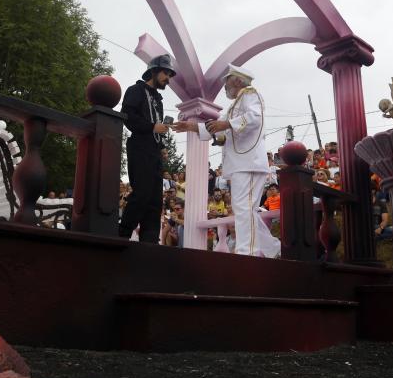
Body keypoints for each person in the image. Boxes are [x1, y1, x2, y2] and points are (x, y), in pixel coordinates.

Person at [174, 64, 280, 258]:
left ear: (238, 80)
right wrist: (191, 126)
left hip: (248, 162)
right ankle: (272, 248)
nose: (224, 87)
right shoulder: (234, 106)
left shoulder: (250, 94)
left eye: (227, 83)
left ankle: (247, 253)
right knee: (244, 210)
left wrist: (227, 124)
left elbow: (254, 118)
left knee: (244, 208)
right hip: (241, 163)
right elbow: (216, 128)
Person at [118, 54, 175, 243]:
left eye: (169, 75)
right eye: (166, 73)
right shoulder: (135, 90)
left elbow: (157, 126)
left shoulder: (158, 99)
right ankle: (121, 236)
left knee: (155, 200)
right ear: (154, 71)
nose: (168, 79)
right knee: (141, 193)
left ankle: (149, 243)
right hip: (139, 147)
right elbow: (128, 117)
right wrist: (152, 127)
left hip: (154, 151)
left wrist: (162, 145)